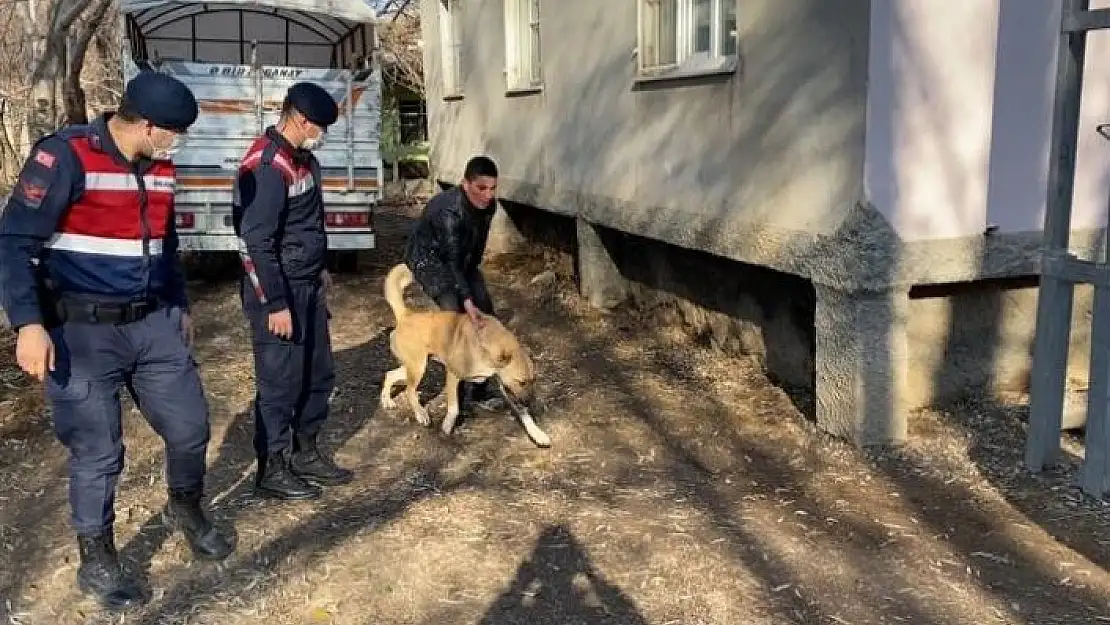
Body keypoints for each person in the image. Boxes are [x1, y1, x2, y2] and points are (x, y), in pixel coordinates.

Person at [0, 71, 233, 610]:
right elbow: (14, 241)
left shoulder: (161, 165)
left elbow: (167, 242)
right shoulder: (66, 157)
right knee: (98, 449)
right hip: (79, 331)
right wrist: (28, 323)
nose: (176, 142)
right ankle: (98, 553)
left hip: (152, 324)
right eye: (173, 132)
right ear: (147, 125)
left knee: (190, 427)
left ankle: (186, 505)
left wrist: (179, 304)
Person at [232, 82, 353, 501]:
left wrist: (320, 271)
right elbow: (255, 242)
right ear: (300, 120)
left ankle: (306, 451)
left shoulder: (303, 159)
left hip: (307, 285)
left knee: (316, 374)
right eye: (319, 125)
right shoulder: (267, 166)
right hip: (278, 293)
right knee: (280, 382)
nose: (322, 133)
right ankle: (273, 467)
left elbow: (307, 222)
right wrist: (276, 303)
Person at [403, 155, 507, 413]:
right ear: (465, 184)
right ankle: (456, 399)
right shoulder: (449, 212)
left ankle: (480, 389)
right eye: (481, 188)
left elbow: (474, 250)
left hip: (462, 260)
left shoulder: (489, 206)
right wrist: (467, 301)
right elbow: (450, 262)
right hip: (431, 259)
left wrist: (474, 291)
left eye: (493, 188)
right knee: (456, 317)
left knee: (487, 316)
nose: (488, 195)